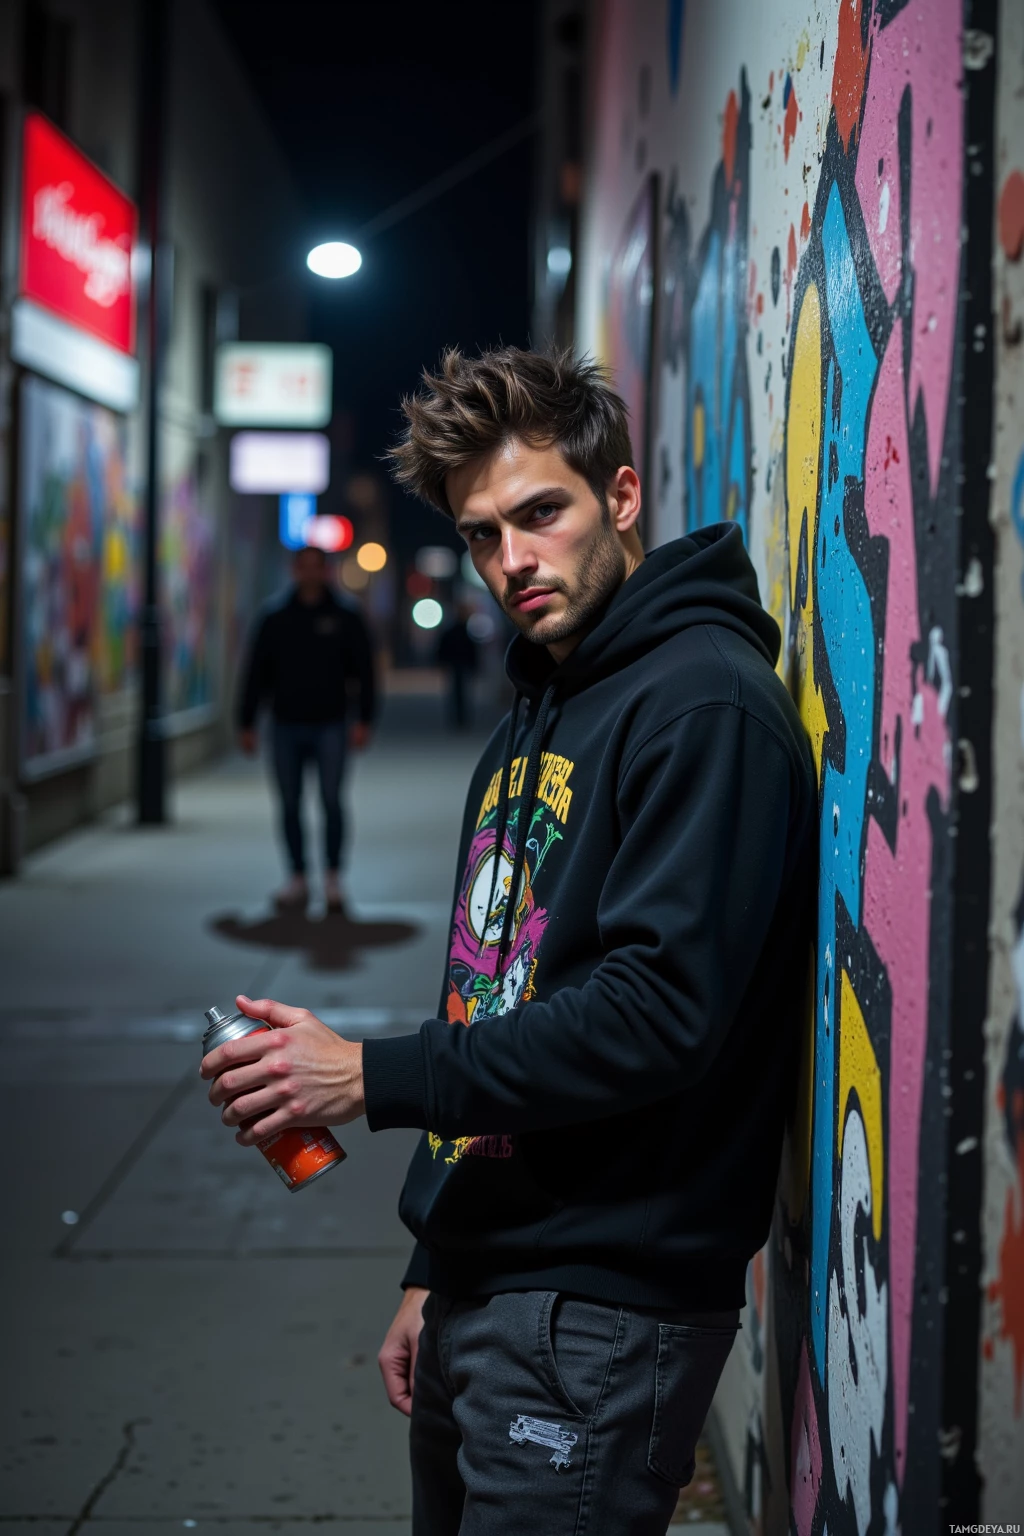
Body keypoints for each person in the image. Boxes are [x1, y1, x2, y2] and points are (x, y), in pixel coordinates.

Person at [204, 347, 817, 1535]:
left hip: (601, 1308)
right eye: (484, 535)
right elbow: (495, 984)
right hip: (494, 1277)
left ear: (622, 498)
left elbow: (655, 1015)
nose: (512, 561)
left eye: (541, 513)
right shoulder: (541, 703)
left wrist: (368, 1075)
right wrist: (439, 1256)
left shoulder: (703, 706)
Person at [237, 545, 376, 913]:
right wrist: (246, 721)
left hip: (331, 724)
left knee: (331, 801)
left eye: (317, 566)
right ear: (295, 570)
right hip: (284, 725)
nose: (310, 573)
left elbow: (365, 671)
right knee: (289, 804)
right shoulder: (275, 616)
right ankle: (297, 877)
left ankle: (332, 877)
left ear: (325, 571)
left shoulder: (345, 615)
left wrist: (364, 719)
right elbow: (255, 672)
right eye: (304, 567)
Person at [435, 601, 479, 728]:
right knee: (459, 693)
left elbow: (443, 648)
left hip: (458, 664)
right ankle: (460, 719)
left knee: (458, 693)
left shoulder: (456, 631)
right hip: (458, 664)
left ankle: (459, 718)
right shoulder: (464, 631)